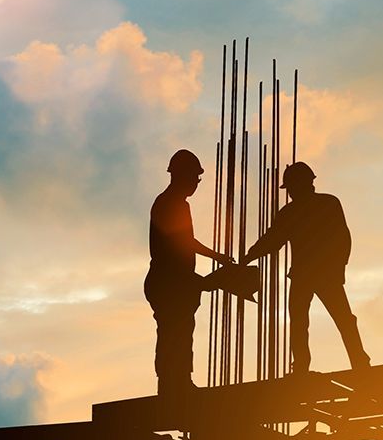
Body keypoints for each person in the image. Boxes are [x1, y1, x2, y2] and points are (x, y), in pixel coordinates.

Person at [242, 161, 370, 374]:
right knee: (309, 320)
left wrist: (339, 268)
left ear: (303, 184)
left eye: (291, 187)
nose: (290, 192)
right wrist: (250, 255)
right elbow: (273, 239)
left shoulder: (320, 205)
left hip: (319, 273)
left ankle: (354, 362)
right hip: (311, 274)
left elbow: (342, 237)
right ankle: (337, 363)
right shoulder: (306, 208)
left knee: (329, 320)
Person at [144, 150, 232, 394]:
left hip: (174, 281)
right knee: (174, 332)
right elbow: (183, 243)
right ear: (182, 176)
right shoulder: (171, 204)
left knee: (180, 331)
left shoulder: (174, 203)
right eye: (194, 178)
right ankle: (173, 386)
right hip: (168, 282)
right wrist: (218, 259)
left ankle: (178, 382)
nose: (196, 184)